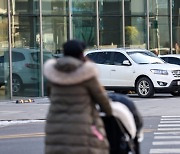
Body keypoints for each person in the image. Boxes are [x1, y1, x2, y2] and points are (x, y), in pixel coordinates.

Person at [44, 39, 112, 154]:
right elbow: (103, 100)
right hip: (82, 130)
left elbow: (50, 95)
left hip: (56, 128)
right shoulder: (87, 75)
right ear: (81, 54)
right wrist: (109, 112)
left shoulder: (53, 74)